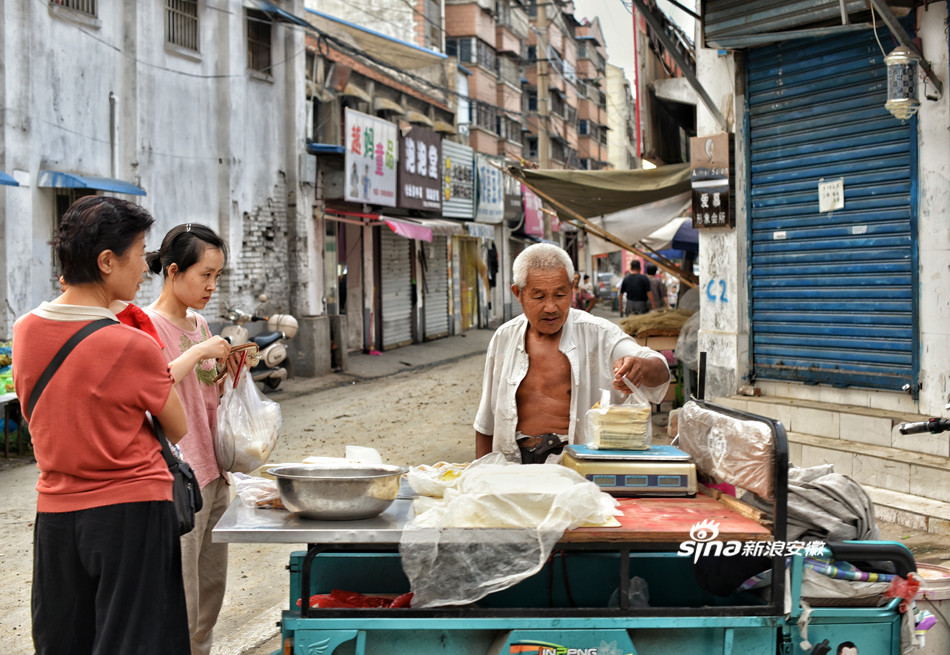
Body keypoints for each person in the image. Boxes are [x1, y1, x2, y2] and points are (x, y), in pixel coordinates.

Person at [12, 196, 191, 654]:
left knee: (63, 640)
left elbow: (38, 416)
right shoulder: (132, 344)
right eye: (141, 254)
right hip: (132, 510)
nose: (146, 267)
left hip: (55, 511)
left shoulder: (25, 330)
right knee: (135, 640)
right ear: (107, 261)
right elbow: (178, 427)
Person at [474, 243, 670, 463]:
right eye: (539, 297)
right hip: (513, 463)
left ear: (572, 287)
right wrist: (479, 474)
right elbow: (486, 422)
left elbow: (660, 369)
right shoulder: (504, 338)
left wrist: (640, 367)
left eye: (560, 295)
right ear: (518, 293)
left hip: (579, 464)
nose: (551, 307)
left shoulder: (599, 334)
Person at [145, 224, 234, 655]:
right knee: (182, 591)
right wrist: (199, 352)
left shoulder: (198, 322)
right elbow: (154, 386)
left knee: (211, 588)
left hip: (215, 471)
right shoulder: (147, 325)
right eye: (206, 275)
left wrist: (230, 368)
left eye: (218, 276)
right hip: (181, 477)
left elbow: (205, 391)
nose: (212, 286)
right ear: (174, 271)